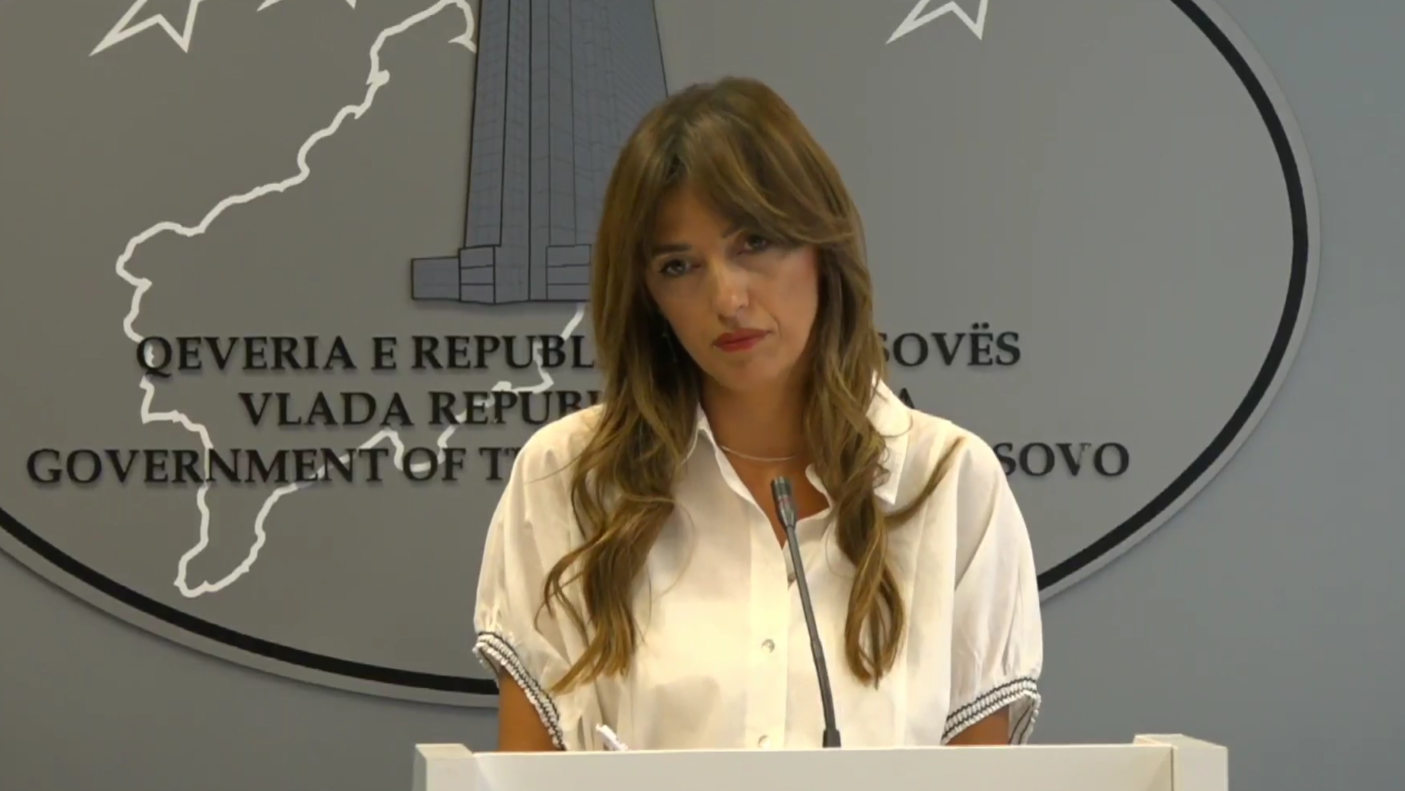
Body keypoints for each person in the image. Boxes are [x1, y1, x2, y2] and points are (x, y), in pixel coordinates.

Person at [472, 76, 1043, 753]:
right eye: (679, 266)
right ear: (648, 295)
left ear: (822, 249)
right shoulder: (568, 478)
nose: (727, 298)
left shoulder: (950, 482)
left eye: (755, 244)